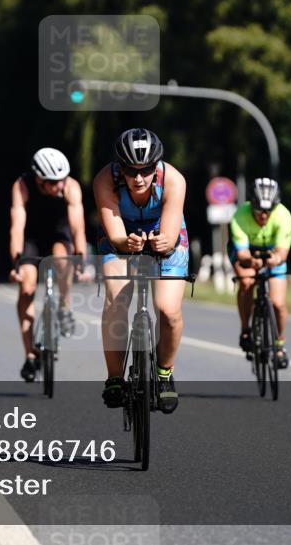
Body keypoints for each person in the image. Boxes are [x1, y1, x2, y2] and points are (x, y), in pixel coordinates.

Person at [94, 128, 189, 414]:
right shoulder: (104, 180)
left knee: (168, 310)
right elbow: (115, 233)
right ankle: (114, 378)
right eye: (130, 170)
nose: (138, 178)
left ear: (156, 165)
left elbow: (171, 235)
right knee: (116, 298)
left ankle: (164, 374)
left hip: (165, 236)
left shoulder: (173, 179)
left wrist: (162, 242)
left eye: (146, 170)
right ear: (119, 166)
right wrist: (127, 243)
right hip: (121, 236)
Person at [9, 148, 88, 382]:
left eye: (61, 180)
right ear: (39, 180)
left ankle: (64, 307)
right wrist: (16, 264)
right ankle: (30, 356)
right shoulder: (22, 186)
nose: (59, 186)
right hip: (32, 237)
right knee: (27, 288)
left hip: (58, 235)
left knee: (64, 262)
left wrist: (80, 259)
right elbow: (17, 227)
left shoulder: (70, 187)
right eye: (53, 183)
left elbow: (77, 227)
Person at [229, 177, 291, 369]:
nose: (263, 215)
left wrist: (274, 259)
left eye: (268, 211)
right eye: (259, 210)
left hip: (273, 252)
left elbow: (282, 253)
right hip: (246, 251)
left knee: (278, 303)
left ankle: (280, 344)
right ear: (251, 205)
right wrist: (253, 261)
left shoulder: (283, 216)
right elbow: (242, 254)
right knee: (247, 282)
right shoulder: (240, 216)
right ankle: (246, 329)